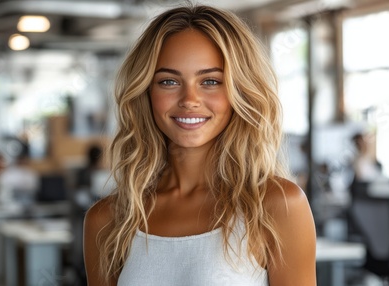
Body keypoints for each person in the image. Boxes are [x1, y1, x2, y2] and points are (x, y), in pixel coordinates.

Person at [83, 5, 316, 286]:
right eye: (168, 81)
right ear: (146, 92)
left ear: (238, 91)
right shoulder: (107, 220)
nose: (189, 99)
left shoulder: (278, 205)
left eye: (210, 81)